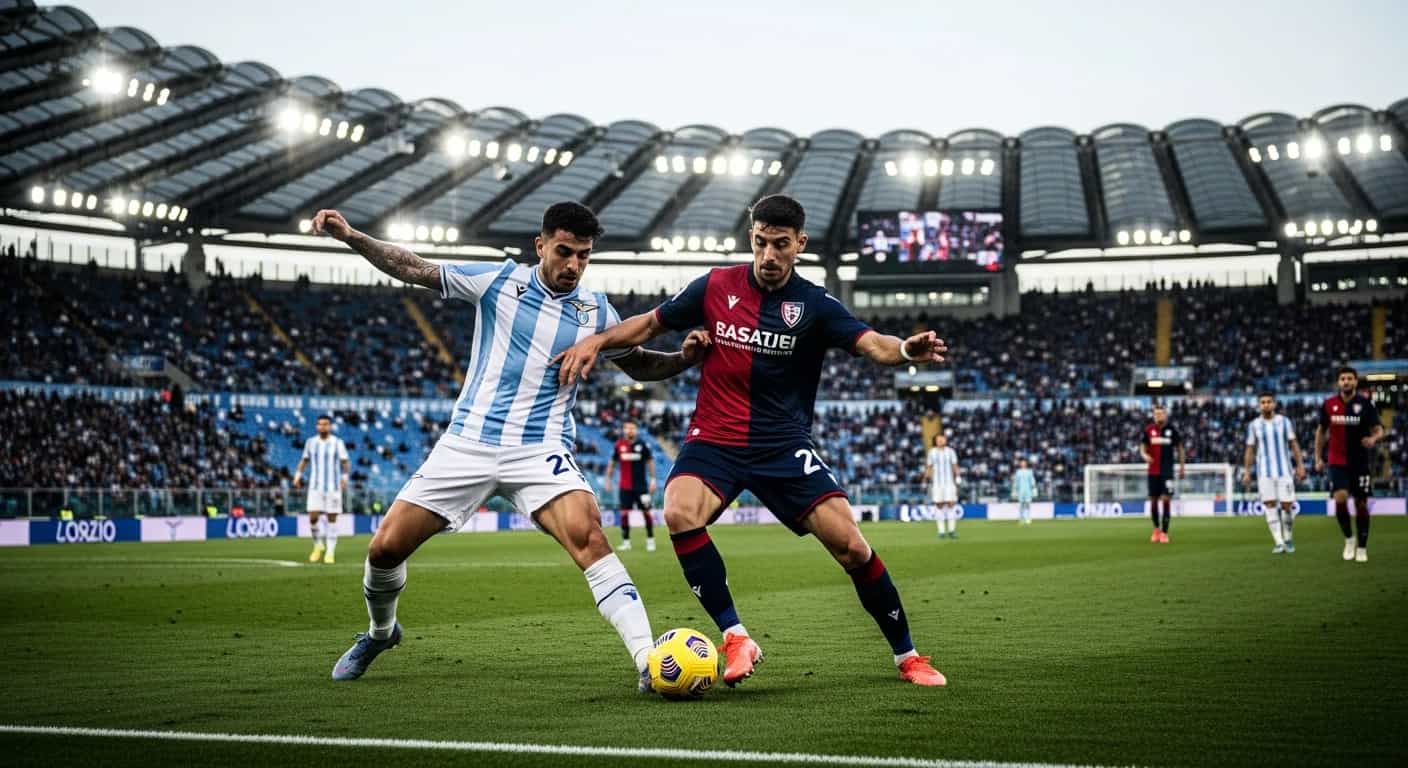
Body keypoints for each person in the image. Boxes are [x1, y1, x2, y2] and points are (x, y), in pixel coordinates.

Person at [554, 194, 950, 687]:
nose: (768, 255)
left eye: (780, 244)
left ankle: (908, 656)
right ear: (751, 238)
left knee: (852, 546)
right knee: (679, 510)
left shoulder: (816, 305)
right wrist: (597, 340)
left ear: (799, 244)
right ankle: (735, 636)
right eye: (760, 242)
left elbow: (873, 344)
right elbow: (651, 323)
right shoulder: (717, 285)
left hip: (783, 444)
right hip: (715, 437)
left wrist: (907, 351)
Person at [309, 202, 706, 689]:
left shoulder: (597, 310)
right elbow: (412, 267)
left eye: (584, 256)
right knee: (385, 548)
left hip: (540, 449)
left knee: (590, 536)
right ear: (540, 246)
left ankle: (648, 661)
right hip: (467, 444)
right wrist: (353, 236)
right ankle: (380, 632)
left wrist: (684, 359)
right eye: (565, 252)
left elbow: (640, 365)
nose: (574, 265)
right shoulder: (498, 281)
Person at [1314, 366, 1384, 563]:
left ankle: (1362, 547)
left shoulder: (1365, 404)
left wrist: (1373, 439)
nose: (1346, 382)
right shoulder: (1328, 405)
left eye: (1350, 379)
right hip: (1336, 461)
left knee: (1361, 504)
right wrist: (1318, 458)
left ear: (1355, 382)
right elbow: (1321, 432)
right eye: (1343, 379)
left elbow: (1379, 430)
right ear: (1338, 382)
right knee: (1340, 498)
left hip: (1360, 462)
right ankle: (1349, 539)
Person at [1242, 392, 1306, 554]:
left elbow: (1294, 444)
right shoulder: (1254, 425)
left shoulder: (1284, 422)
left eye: (1269, 402)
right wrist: (1247, 471)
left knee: (1287, 506)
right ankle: (1279, 542)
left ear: (1274, 404)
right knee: (1269, 505)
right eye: (1262, 402)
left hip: (1284, 471)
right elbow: (1250, 449)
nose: (1266, 405)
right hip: (1264, 472)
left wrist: (1300, 465)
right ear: (1259, 405)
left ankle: (1288, 538)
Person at [292, 415, 349, 564]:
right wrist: (297, 476)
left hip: (333, 487)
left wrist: (345, 478)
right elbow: (304, 460)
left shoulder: (338, 443)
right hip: (315, 487)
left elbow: (345, 462)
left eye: (325, 424)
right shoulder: (311, 443)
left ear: (330, 426)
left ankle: (330, 552)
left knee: (332, 519)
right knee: (313, 517)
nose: (322, 427)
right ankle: (318, 545)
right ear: (317, 426)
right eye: (320, 424)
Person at [605, 420, 657, 552]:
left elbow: (650, 462)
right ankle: (626, 542)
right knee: (624, 514)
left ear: (637, 430)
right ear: (623, 430)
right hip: (625, 487)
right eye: (627, 428)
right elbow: (612, 463)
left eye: (632, 428)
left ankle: (650, 540)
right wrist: (608, 480)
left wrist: (653, 480)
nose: (630, 430)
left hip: (641, 487)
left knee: (646, 512)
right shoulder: (619, 445)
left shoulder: (643, 445)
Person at [1139, 403, 1185, 544]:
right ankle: (1156, 529)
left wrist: (1182, 467)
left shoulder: (1172, 430)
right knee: (1153, 500)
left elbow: (1180, 448)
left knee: (1165, 499)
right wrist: (1144, 455)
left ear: (1165, 414)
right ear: (1153, 415)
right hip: (1153, 471)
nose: (1159, 415)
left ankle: (1165, 532)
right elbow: (1142, 447)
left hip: (1167, 472)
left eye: (1161, 413)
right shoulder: (1149, 430)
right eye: (1156, 413)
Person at [923, 434, 960, 538]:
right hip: (937, 483)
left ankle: (952, 531)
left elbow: (955, 465)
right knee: (938, 505)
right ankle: (941, 531)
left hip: (949, 482)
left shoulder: (951, 451)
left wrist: (958, 477)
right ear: (936, 441)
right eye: (939, 439)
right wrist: (925, 480)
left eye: (943, 439)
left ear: (945, 440)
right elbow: (929, 467)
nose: (941, 440)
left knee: (951, 504)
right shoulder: (932, 452)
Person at [1012, 457, 1036, 526]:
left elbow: (1032, 481)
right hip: (1020, 490)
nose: (1023, 464)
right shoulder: (1018, 472)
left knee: (1028, 504)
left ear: (1026, 464)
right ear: (1020, 464)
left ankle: (1028, 518)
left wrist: (1034, 489)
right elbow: (1016, 481)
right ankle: (1021, 518)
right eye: (1021, 463)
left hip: (1028, 490)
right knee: (1021, 505)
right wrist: (1014, 490)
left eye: (1024, 463)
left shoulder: (1029, 471)